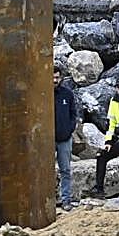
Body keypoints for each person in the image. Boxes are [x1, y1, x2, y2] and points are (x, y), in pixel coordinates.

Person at [53, 65, 80, 208]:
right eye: (52, 77)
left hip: (64, 138)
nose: (54, 80)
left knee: (65, 170)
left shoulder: (67, 94)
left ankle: (66, 199)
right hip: (46, 140)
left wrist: (69, 129)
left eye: (57, 77)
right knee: (45, 171)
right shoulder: (41, 94)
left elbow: (73, 114)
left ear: (61, 77)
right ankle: (48, 201)